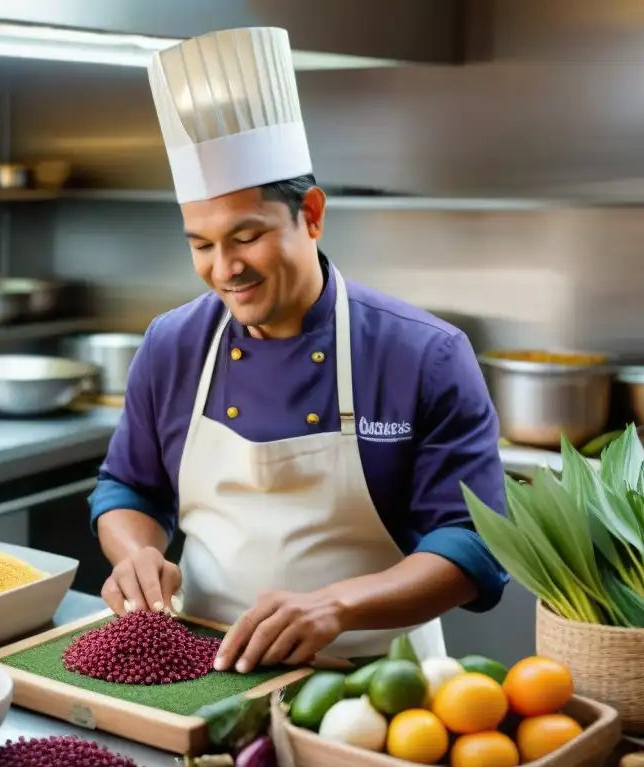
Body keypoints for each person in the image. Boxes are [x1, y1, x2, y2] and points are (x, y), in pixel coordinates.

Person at [88, 26, 508, 674]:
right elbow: (128, 489)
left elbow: (473, 548)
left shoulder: (424, 356)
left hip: (377, 683)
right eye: (200, 244)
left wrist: (335, 606)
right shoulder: (172, 346)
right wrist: (136, 553)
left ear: (311, 214)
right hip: (204, 669)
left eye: (246, 236)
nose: (224, 268)